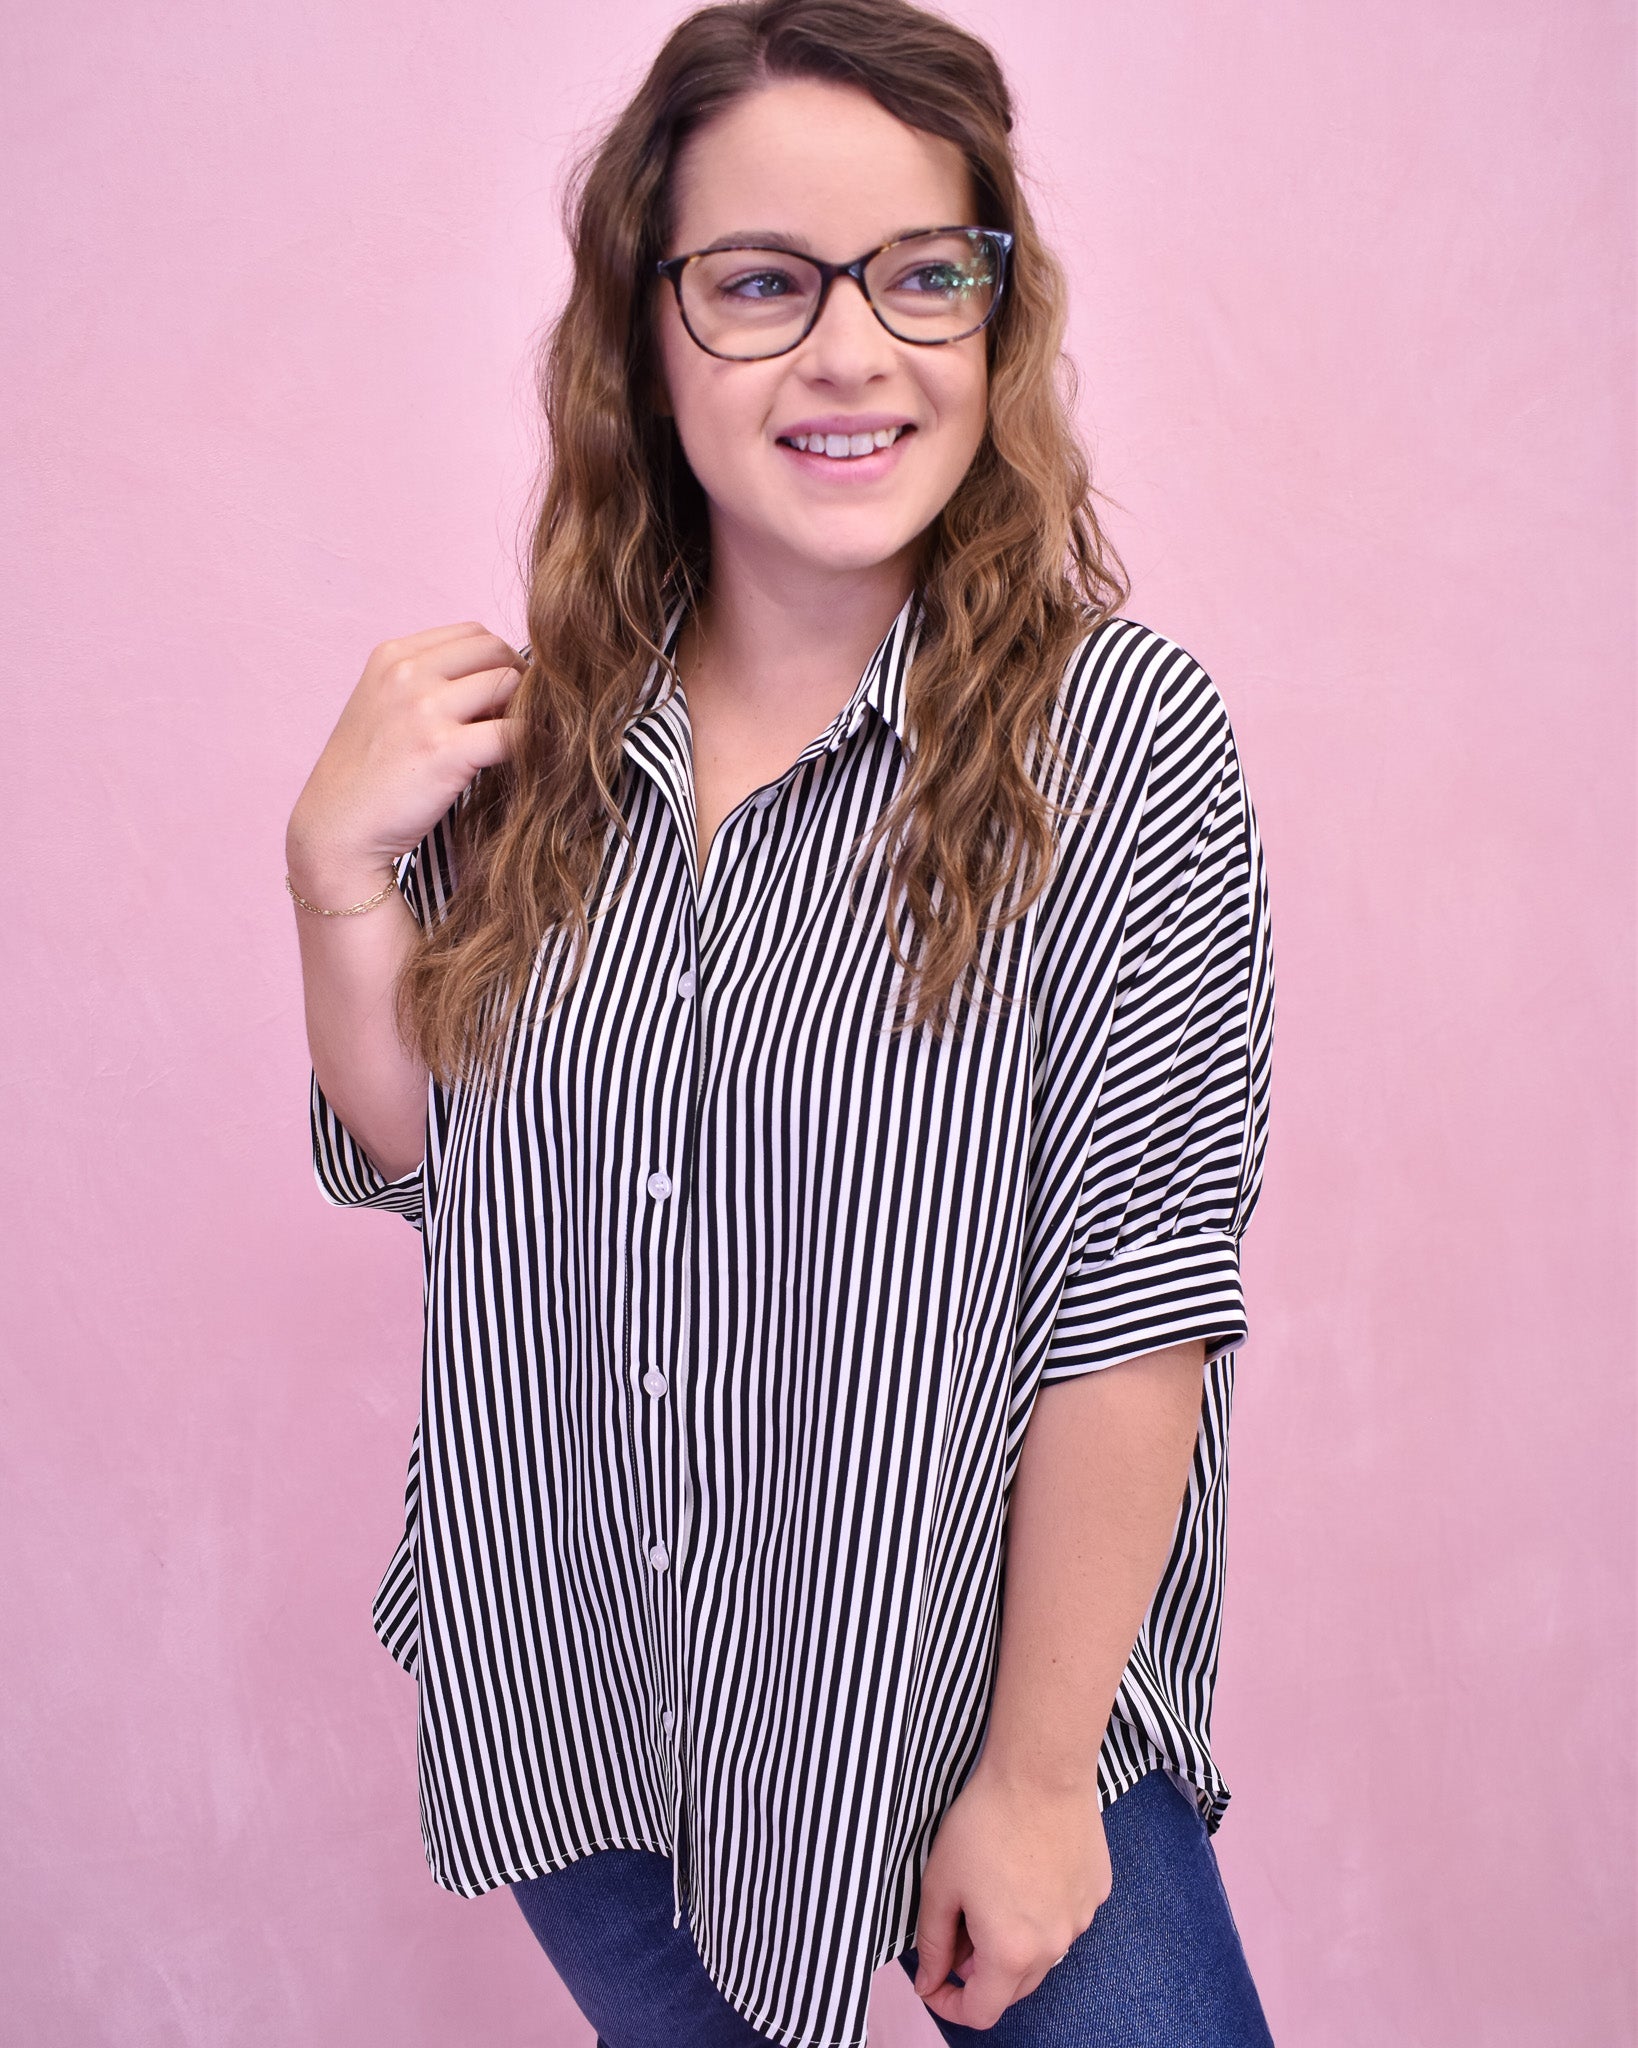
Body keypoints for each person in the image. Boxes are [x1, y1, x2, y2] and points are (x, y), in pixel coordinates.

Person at [284, 0, 1277, 2041]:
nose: (854, 350)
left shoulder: (1126, 749)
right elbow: (431, 1160)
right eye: (762, 283)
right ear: (647, 332)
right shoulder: (536, 745)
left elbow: (1141, 1293)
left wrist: (1028, 1784)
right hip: (587, 1710)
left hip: (961, 1725)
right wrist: (333, 877)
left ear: (996, 317)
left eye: (924, 274)